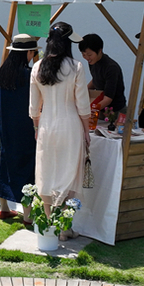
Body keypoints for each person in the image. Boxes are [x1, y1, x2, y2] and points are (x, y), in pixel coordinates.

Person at [29, 22, 91, 241]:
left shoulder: (37, 67)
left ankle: (49, 224)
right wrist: (86, 132)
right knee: (69, 175)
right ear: (67, 43)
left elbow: (33, 107)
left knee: (46, 173)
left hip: (46, 126)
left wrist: (37, 128)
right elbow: (83, 106)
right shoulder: (76, 67)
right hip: (70, 125)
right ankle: (65, 226)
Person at [0, 34, 39, 224]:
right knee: (27, 168)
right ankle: (27, 215)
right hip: (25, 127)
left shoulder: (4, 72)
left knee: (6, 163)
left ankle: (4, 208)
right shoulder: (28, 75)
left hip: (6, 126)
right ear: (28, 52)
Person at [78, 34, 127, 112]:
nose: (87, 58)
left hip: (116, 110)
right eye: (83, 55)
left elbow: (108, 99)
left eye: (89, 54)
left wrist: (90, 110)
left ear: (100, 50)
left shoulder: (111, 68)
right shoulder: (93, 61)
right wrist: (83, 91)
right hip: (101, 108)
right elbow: (96, 79)